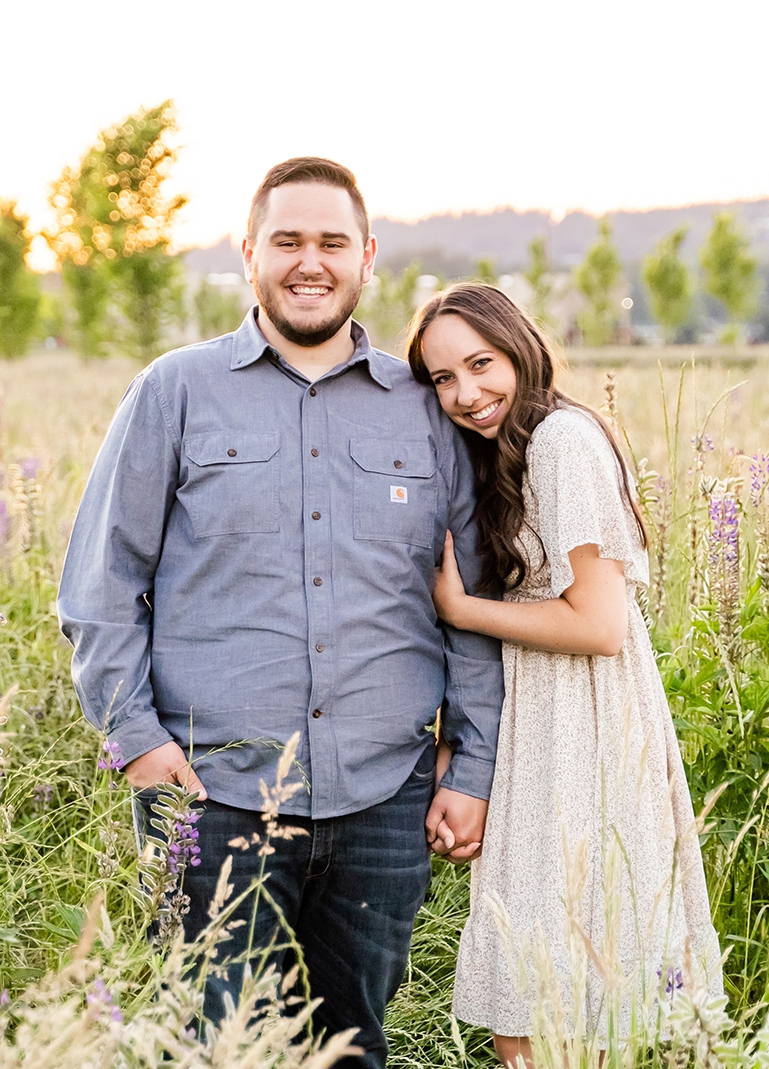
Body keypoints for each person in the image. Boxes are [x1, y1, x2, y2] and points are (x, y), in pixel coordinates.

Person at [57, 159, 504, 1068]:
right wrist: (139, 742)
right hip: (208, 795)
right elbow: (100, 586)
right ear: (249, 253)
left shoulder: (424, 410)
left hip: (384, 798)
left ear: (366, 256)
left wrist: (475, 764)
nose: (311, 261)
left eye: (332, 241)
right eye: (288, 241)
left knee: (350, 1046)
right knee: (216, 1047)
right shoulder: (173, 390)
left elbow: (475, 608)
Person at [406, 283, 722, 1068]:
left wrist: (460, 606)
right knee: (539, 981)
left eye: (480, 364)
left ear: (520, 347)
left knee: (549, 983)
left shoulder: (561, 440)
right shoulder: (510, 448)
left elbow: (598, 623)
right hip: (540, 717)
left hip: (581, 721)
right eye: (442, 378)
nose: (465, 393)